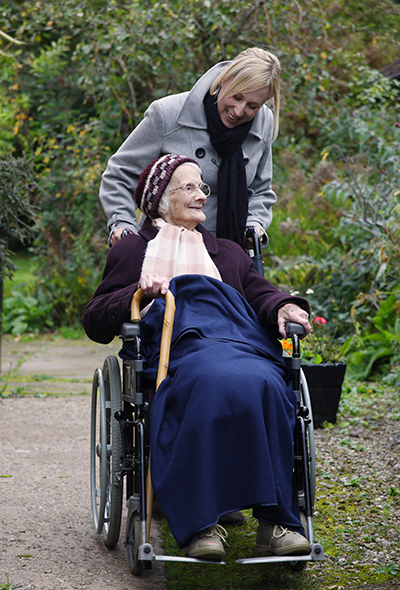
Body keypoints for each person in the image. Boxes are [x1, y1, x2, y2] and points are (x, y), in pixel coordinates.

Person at [83, 154, 312, 561]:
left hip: (239, 341)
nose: (201, 195)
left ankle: (276, 523)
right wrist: (137, 292)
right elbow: (95, 319)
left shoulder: (225, 251)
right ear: (158, 199)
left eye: (202, 187)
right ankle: (203, 523)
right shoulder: (134, 250)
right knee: (207, 383)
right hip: (177, 351)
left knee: (268, 383)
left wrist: (284, 308)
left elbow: (260, 291)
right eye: (188, 187)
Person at [100, 47, 281, 247]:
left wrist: (254, 224)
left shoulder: (263, 122)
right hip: (164, 249)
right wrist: (123, 224)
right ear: (224, 80)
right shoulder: (167, 114)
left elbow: (260, 189)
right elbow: (120, 173)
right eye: (237, 97)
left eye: (252, 106)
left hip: (231, 253)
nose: (239, 111)